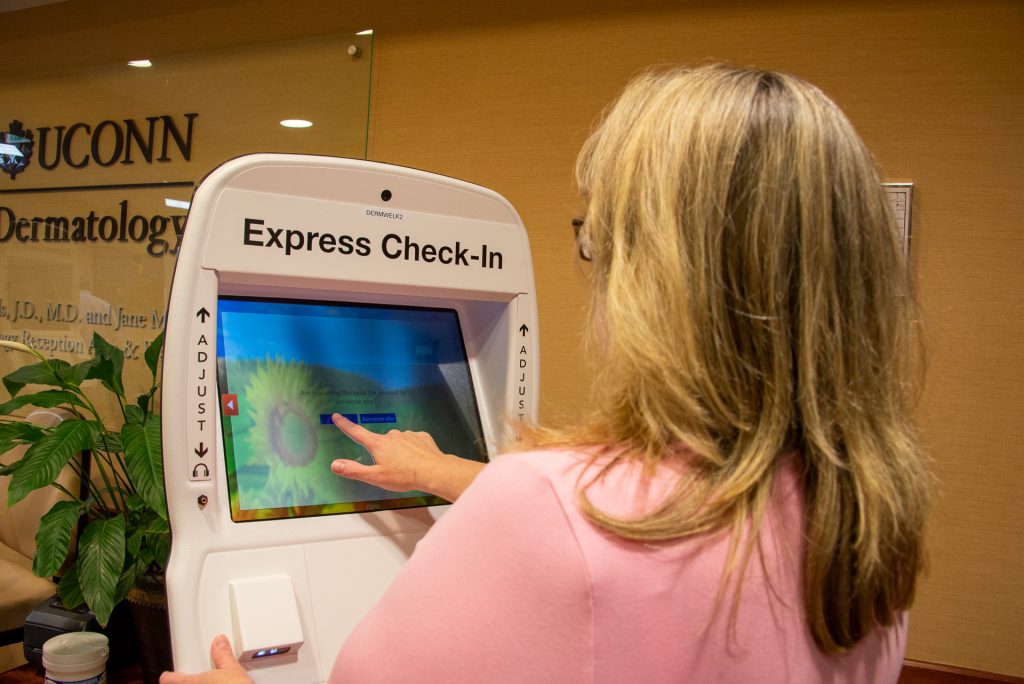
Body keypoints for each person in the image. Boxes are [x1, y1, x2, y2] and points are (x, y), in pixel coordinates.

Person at [161, 64, 929, 683]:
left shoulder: (541, 508)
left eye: (599, 240)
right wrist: (452, 472)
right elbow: (653, 527)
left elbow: (575, 542)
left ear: (655, 278)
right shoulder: (865, 518)